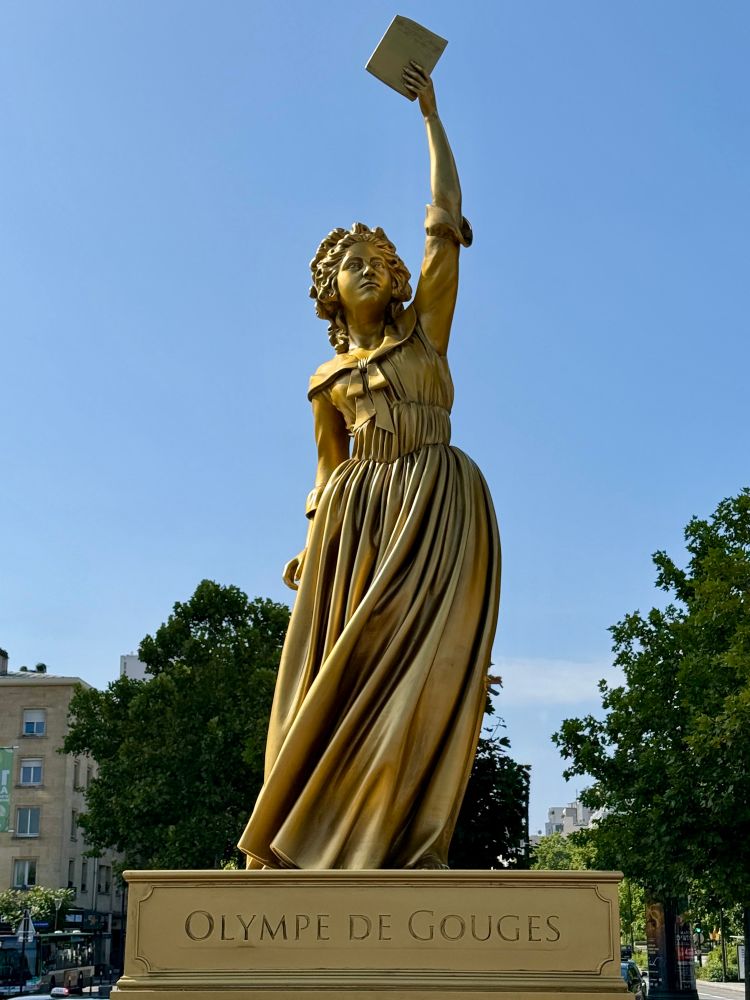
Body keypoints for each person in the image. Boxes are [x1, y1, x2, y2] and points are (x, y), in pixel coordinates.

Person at [238, 61, 500, 870]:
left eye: (383, 262)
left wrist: (431, 118)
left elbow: (443, 222)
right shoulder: (325, 382)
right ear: (331, 291)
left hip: (438, 503)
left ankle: (399, 835)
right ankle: (315, 835)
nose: (378, 267)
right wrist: (310, 539)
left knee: (425, 676)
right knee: (342, 673)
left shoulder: (426, 332)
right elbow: (326, 472)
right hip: (356, 523)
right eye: (358, 262)